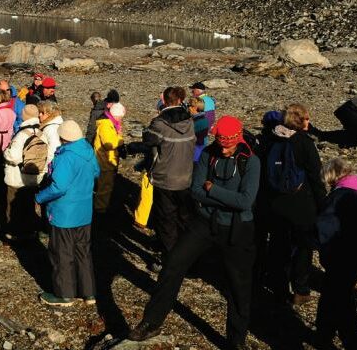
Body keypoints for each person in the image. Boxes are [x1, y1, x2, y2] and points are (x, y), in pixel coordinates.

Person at [129, 116, 261, 348]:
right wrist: (218, 196)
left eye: (229, 144)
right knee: (173, 265)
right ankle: (151, 321)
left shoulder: (250, 161)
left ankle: (236, 340)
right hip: (205, 223)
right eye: (221, 143)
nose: (225, 148)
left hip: (237, 229)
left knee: (239, 285)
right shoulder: (210, 154)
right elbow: (196, 191)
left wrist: (213, 190)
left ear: (238, 139)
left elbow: (245, 201)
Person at [314, 157, 357, 350]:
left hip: (341, 255)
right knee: (331, 294)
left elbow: (325, 229)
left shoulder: (339, 196)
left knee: (342, 302)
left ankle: (354, 344)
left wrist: (313, 240)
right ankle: (323, 333)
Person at [261, 103, 326, 305]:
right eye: (306, 118)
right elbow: (316, 176)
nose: (309, 121)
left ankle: (278, 287)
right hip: (301, 205)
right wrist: (322, 203)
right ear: (299, 121)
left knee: (279, 246)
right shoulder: (304, 143)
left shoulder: (270, 140)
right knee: (303, 249)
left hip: (276, 204)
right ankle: (301, 289)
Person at [129, 86, 196, 267]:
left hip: (165, 179)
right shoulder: (190, 121)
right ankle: (186, 257)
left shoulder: (159, 123)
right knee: (183, 219)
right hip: (186, 177)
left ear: (164, 101)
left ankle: (169, 261)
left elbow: (148, 141)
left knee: (166, 221)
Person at [34, 120, 99, 306]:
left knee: (62, 253)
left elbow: (59, 187)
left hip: (64, 213)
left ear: (63, 137)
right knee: (83, 252)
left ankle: (65, 294)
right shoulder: (87, 151)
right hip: (84, 211)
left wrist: (39, 197)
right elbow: (96, 172)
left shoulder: (66, 157)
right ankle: (88, 293)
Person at [3, 103, 46, 240]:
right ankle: (29, 232)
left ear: (24, 116)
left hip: (17, 177)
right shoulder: (41, 133)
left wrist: (5, 153)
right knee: (28, 206)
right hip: (34, 176)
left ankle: (13, 233)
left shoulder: (21, 134)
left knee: (13, 206)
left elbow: (14, 157)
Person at [92, 101, 126, 213]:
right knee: (105, 186)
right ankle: (100, 208)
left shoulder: (109, 123)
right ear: (116, 115)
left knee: (104, 185)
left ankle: (101, 205)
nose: (121, 120)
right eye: (121, 117)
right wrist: (120, 138)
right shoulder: (106, 125)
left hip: (106, 159)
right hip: (105, 160)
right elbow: (108, 143)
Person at [37, 101, 64, 174]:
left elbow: (53, 150)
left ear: (49, 114)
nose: (39, 115)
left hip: (50, 169)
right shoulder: (55, 125)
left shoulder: (51, 128)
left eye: (42, 113)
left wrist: (44, 170)